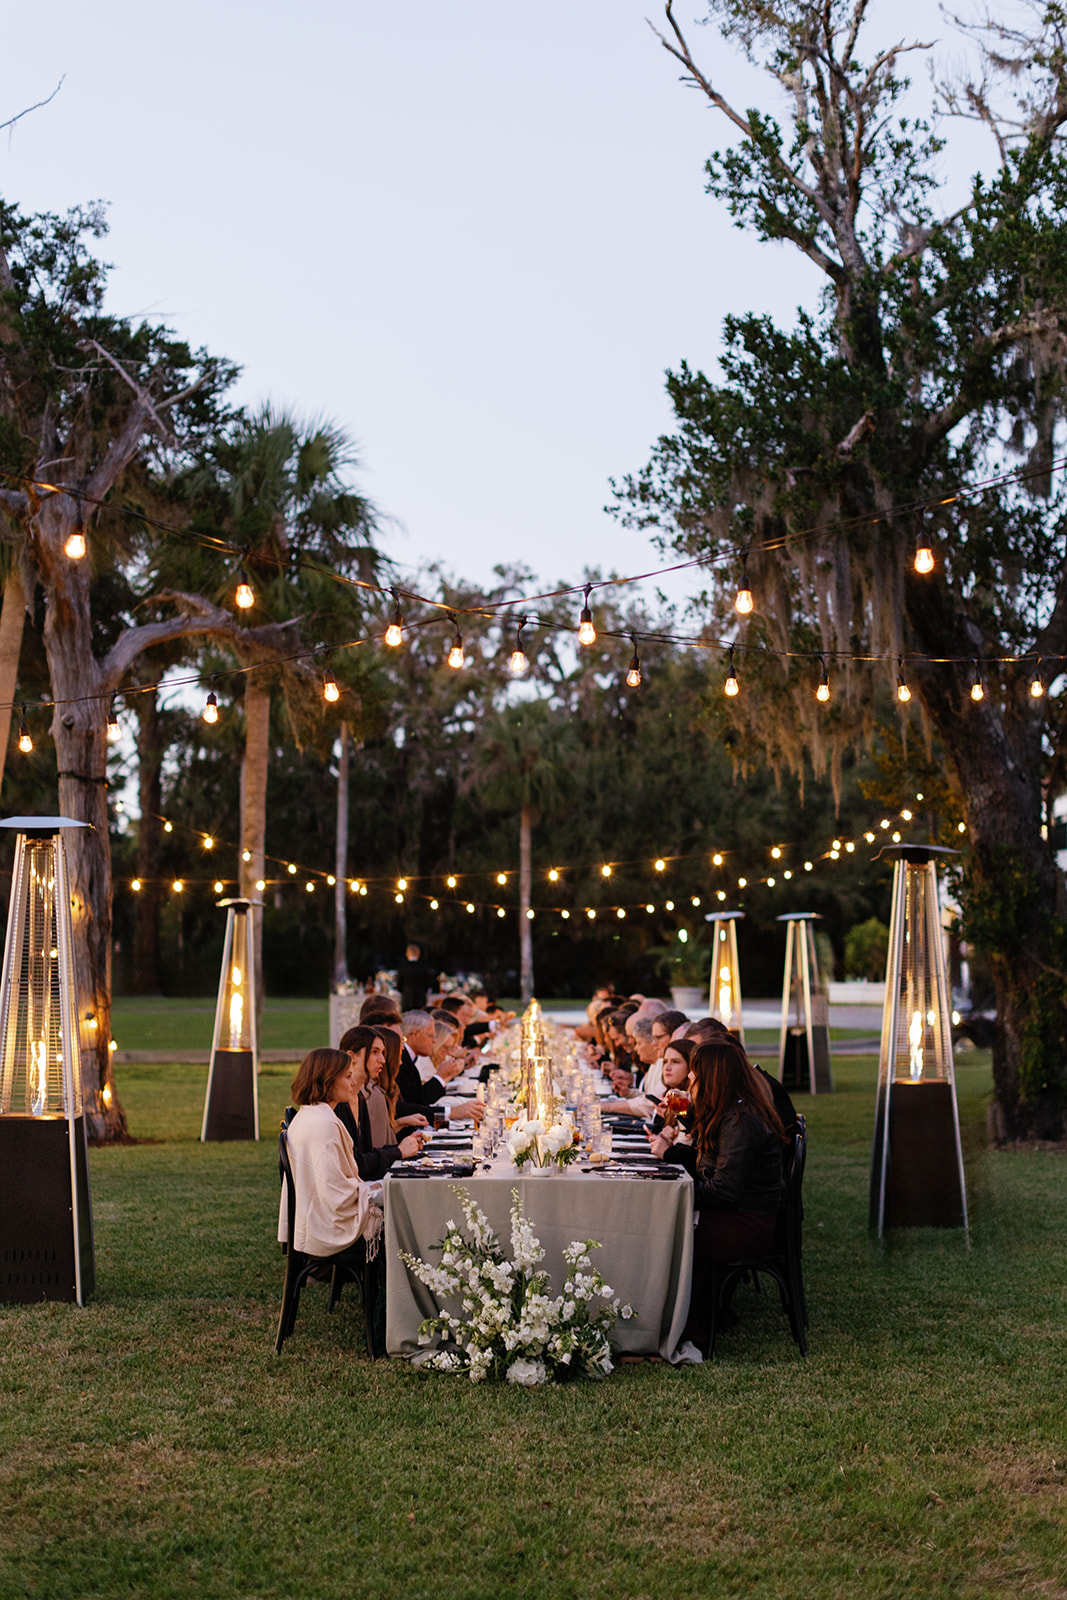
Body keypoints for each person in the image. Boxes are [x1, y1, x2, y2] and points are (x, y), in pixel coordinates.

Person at [650, 1037, 786, 1349]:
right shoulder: (730, 1112)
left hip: (747, 1223)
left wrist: (673, 1195)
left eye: (696, 1073)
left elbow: (723, 1191)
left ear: (713, 1077)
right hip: (736, 1213)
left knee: (668, 1236)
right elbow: (709, 1163)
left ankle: (688, 1329)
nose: (691, 1079)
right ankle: (681, 1321)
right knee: (665, 1228)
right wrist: (675, 1150)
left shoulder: (740, 1121)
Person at [280, 1048, 385, 1264]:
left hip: (311, 1217)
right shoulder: (323, 1125)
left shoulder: (309, 1114)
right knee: (402, 1213)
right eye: (347, 1077)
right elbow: (336, 1194)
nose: (354, 1082)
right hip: (326, 1224)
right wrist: (379, 1190)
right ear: (327, 1082)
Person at [333, 1026, 425, 1177]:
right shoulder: (340, 1103)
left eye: (382, 1053)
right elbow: (355, 1164)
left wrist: (403, 1147)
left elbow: (368, 1154)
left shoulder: (360, 1097)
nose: (382, 1060)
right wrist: (399, 1151)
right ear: (351, 1056)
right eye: (374, 1052)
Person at [397, 943, 436, 1012]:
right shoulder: (424, 968)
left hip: (407, 999)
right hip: (421, 999)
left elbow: (399, 985)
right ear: (418, 954)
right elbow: (429, 984)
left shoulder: (403, 968)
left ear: (407, 954)